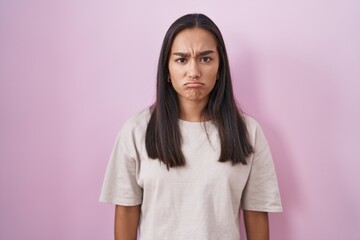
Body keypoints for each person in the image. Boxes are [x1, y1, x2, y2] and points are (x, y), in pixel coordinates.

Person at [100, 13, 282, 240]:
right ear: (167, 69)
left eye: (205, 59)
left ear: (220, 68)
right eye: (181, 59)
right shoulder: (136, 131)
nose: (194, 71)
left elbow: (256, 214)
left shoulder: (247, 132)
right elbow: (127, 210)